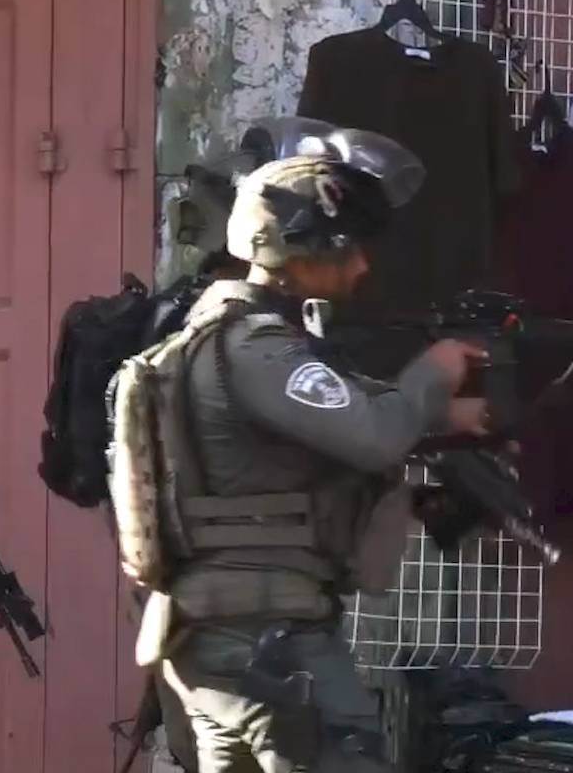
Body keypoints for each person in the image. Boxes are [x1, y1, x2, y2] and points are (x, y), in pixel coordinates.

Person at [145, 119, 491, 772]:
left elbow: (302, 440)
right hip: (269, 640)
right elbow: (374, 436)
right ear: (296, 252)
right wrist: (432, 372)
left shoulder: (212, 337)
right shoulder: (258, 348)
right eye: (345, 248)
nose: (362, 266)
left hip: (218, 637)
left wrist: (435, 417)